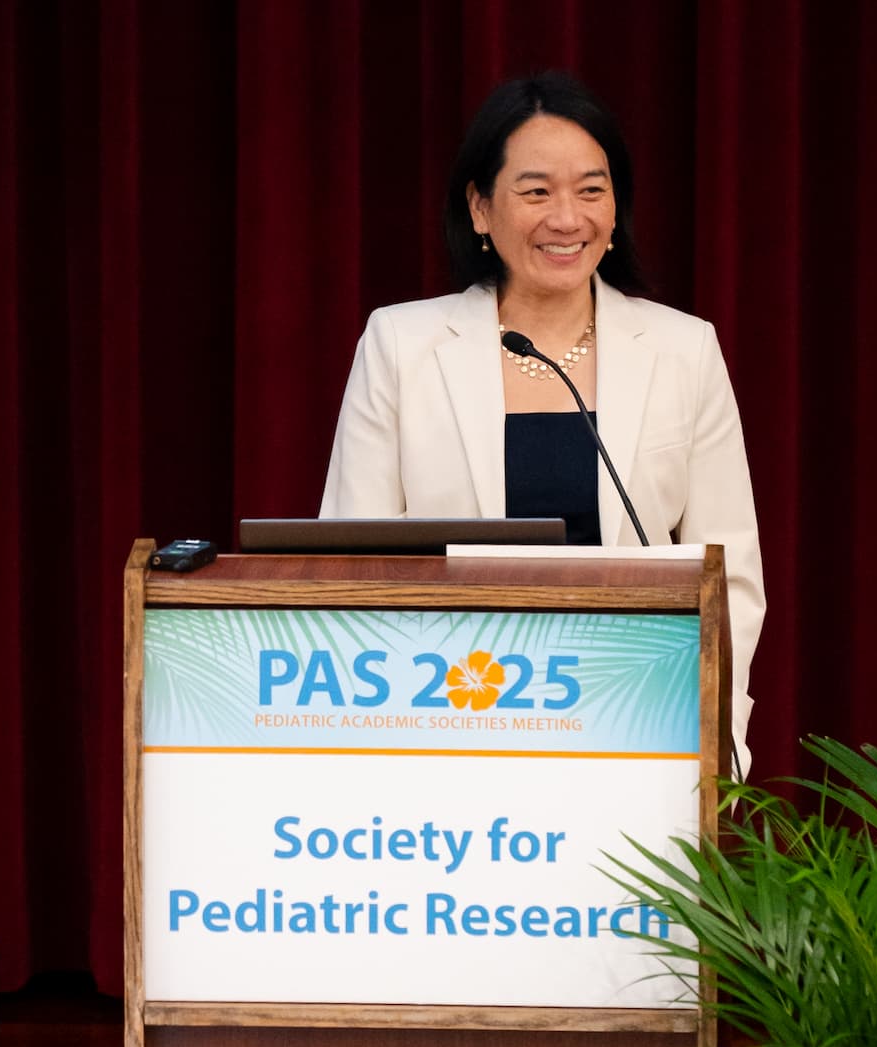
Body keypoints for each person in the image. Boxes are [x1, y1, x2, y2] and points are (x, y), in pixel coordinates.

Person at [320, 71, 764, 768]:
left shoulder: (683, 349)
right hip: (447, 731)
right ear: (480, 208)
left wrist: (714, 733)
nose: (568, 218)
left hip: (634, 732)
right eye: (536, 192)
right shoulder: (402, 346)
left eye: (592, 190)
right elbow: (351, 563)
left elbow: (729, 571)